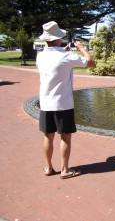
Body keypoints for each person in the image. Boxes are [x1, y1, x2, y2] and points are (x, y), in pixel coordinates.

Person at [36, 21, 94, 179]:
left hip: (46, 103)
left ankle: (48, 168)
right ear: (58, 39)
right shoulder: (67, 56)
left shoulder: (40, 56)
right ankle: (65, 170)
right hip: (63, 104)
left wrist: (64, 50)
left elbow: (56, 61)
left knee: (48, 136)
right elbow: (91, 63)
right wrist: (82, 49)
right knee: (65, 137)